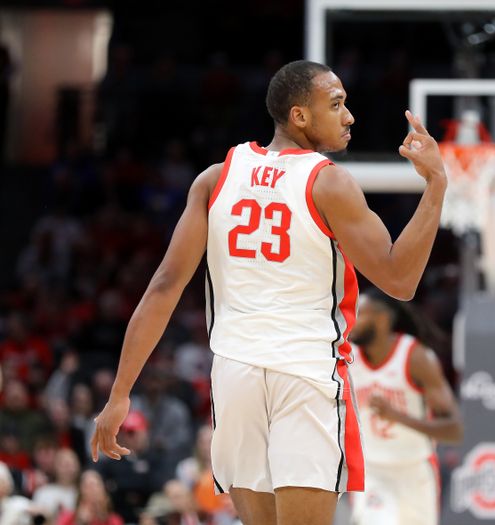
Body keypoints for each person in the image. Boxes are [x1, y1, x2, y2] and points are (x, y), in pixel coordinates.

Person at [91, 59, 447, 525]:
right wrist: (436, 183)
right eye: (336, 105)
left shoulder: (215, 178)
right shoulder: (328, 182)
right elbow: (400, 280)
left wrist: (120, 393)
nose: (349, 116)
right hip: (304, 373)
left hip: (235, 373)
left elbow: (162, 288)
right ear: (300, 116)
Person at [347, 288, 463, 525]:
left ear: (383, 318)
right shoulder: (349, 357)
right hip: (372, 470)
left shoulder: (415, 357)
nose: (352, 320)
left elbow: (455, 430)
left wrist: (396, 416)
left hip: (415, 470)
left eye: (361, 314)